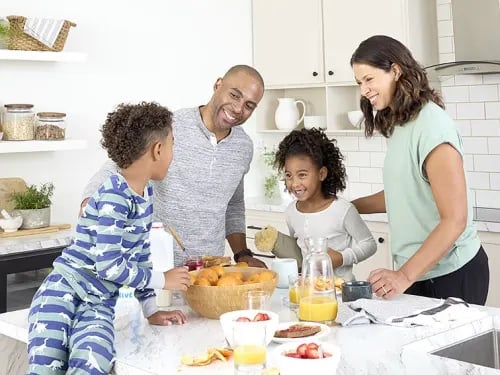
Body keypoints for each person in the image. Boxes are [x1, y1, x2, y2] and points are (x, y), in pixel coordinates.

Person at [27, 102, 191, 375]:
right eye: (172, 144)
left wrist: (151, 309)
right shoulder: (114, 194)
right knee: (46, 367)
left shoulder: (145, 195)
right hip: (62, 291)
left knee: (94, 362)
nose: (174, 154)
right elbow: (110, 266)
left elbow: (140, 255)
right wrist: (164, 279)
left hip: (99, 303)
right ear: (157, 150)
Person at [81, 65, 267, 268]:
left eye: (249, 105)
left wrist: (242, 254)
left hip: (208, 272)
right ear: (218, 85)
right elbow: (119, 165)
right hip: (155, 269)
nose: (239, 109)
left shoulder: (244, 146)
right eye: (234, 95)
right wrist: (90, 203)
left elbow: (233, 204)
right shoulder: (171, 127)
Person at [350, 35, 489, 304]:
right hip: (419, 274)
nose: (363, 90)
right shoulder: (401, 123)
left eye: (368, 79)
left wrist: (402, 276)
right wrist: (346, 207)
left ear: (395, 71)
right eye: (359, 83)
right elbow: (402, 194)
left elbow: (455, 220)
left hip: (452, 274)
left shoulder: (432, 126)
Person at [274, 128, 377, 281]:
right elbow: (299, 250)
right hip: (309, 292)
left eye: (302, 175)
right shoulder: (291, 212)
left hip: (341, 291)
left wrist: (342, 258)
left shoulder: (342, 209)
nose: (294, 183)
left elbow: (369, 244)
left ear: (322, 174)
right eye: (289, 175)